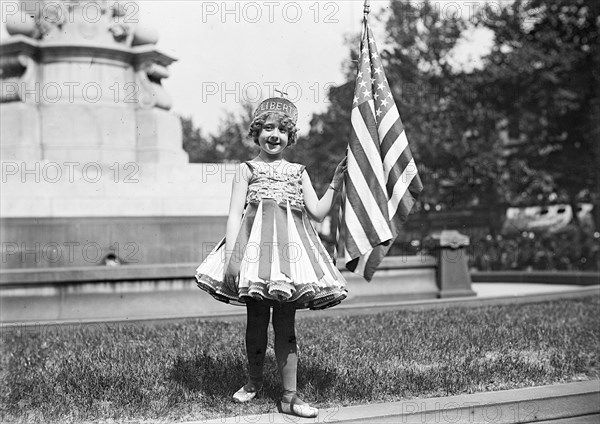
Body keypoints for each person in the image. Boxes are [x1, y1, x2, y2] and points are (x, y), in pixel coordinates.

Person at [195, 97, 348, 418]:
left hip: (289, 258)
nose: (274, 135)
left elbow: (318, 212)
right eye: (267, 128)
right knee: (256, 320)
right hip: (253, 253)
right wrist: (233, 258)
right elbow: (235, 214)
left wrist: (335, 182)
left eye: (281, 129)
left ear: (291, 136)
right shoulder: (247, 169)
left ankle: (290, 395)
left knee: (285, 323)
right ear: (256, 133)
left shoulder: (298, 172)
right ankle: (253, 382)